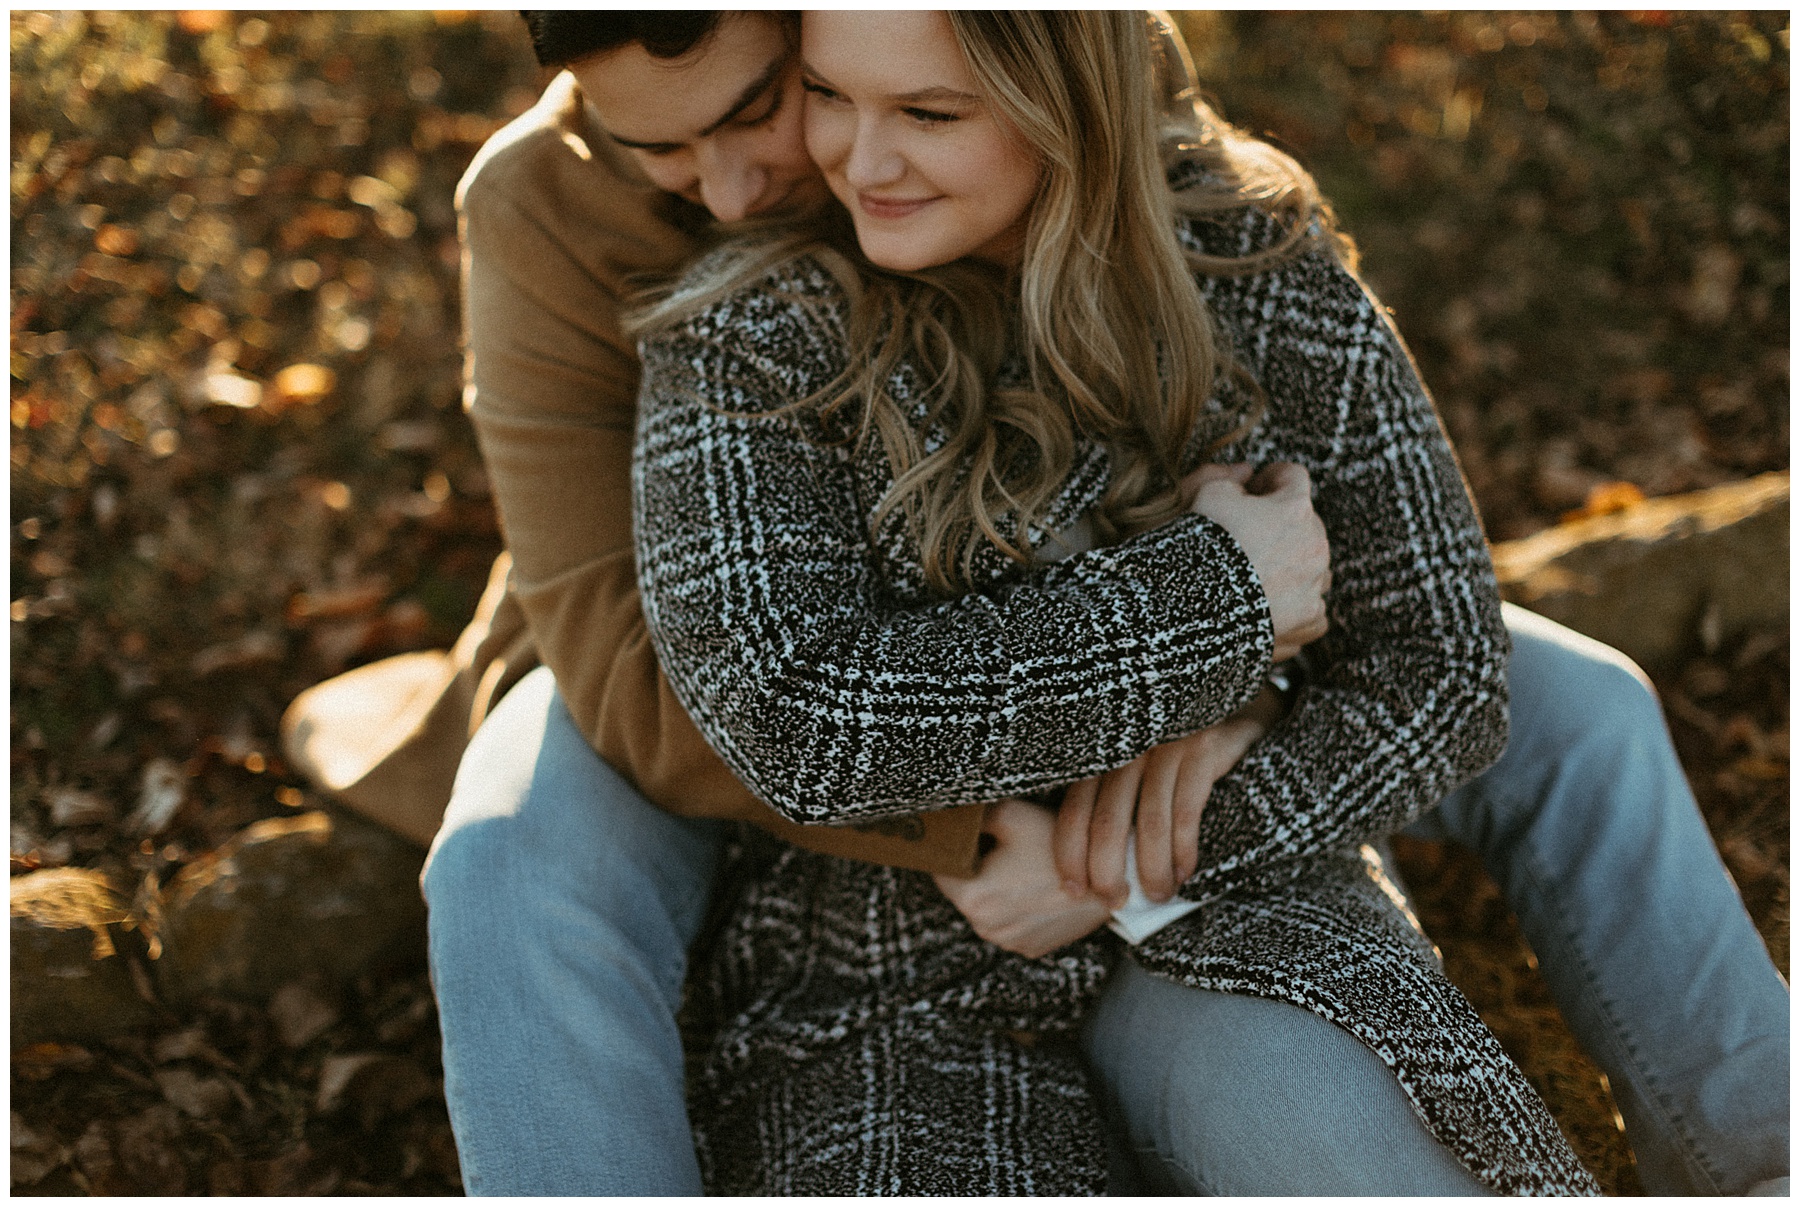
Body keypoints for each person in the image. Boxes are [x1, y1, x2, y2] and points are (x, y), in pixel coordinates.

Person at [278, 9, 1790, 1196]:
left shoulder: (1087, 85)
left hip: (1070, 582)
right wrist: (1097, 770)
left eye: (758, 106)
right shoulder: (564, 222)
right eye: (654, 153)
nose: (741, 185)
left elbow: (1188, 309)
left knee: (1579, 700)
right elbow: (693, 686)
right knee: (508, 865)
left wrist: (1236, 721)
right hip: (649, 653)